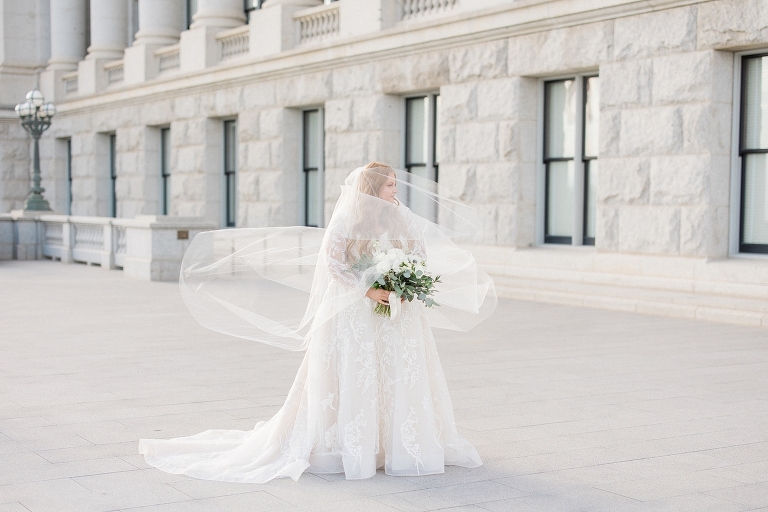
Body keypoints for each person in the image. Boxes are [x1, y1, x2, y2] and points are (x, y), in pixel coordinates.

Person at [138, 162, 496, 482]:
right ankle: (353, 447)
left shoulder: (400, 216)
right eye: (389, 185)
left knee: (394, 374)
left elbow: (418, 253)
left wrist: (402, 282)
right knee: (356, 373)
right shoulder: (346, 220)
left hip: (395, 313)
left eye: (395, 184)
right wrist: (368, 290)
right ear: (373, 189)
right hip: (355, 311)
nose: (395, 190)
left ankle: (398, 444)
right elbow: (334, 264)